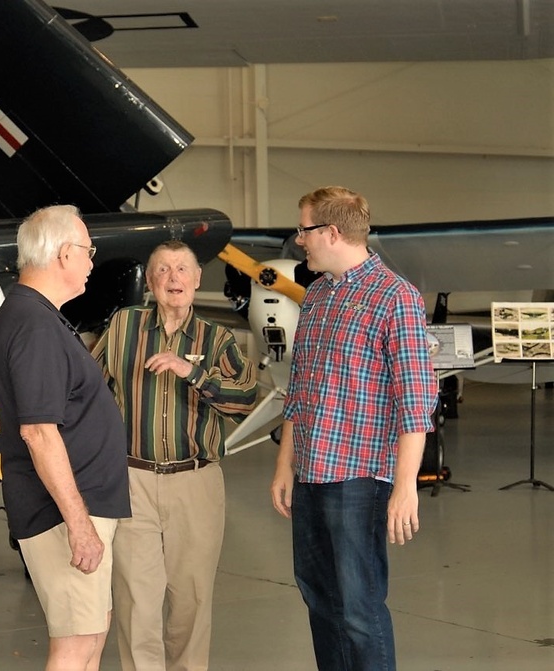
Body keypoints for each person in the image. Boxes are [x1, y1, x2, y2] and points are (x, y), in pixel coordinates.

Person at [270, 186, 438, 671]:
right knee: (320, 602)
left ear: (332, 232)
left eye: (304, 231)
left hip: (360, 479)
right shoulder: (319, 293)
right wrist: (286, 466)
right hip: (312, 475)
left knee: (360, 610)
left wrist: (405, 486)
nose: (299, 241)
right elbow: (299, 389)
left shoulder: (395, 297)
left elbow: (415, 400)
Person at [91, 239, 258, 671]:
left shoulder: (217, 337)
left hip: (195, 480)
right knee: (135, 600)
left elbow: (244, 400)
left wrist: (193, 372)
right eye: (162, 270)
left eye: (182, 269)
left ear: (198, 279)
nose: (173, 279)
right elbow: (88, 392)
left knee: (192, 598)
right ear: (149, 281)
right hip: (133, 481)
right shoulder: (124, 326)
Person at [0, 204, 131, 671]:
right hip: (64, 512)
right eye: (88, 251)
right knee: (76, 645)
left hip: (76, 506)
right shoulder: (34, 324)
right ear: (65, 253)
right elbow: (39, 432)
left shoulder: (36, 317)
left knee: (91, 633)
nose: (92, 261)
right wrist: (80, 524)